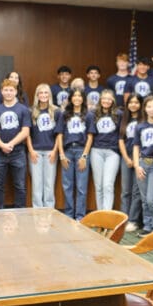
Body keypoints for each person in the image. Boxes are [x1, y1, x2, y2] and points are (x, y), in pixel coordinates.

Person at [0, 79, 32, 209]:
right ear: (1, 92)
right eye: (6, 90)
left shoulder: (23, 109)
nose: (8, 93)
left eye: (11, 90)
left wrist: (11, 144)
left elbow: (25, 131)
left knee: (19, 185)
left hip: (18, 152)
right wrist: (2, 145)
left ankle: (20, 213)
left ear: (16, 92)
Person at [57, 88, 91, 220]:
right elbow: (59, 135)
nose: (77, 98)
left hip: (81, 151)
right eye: (74, 96)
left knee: (81, 186)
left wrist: (84, 156)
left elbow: (90, 137)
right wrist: (61, 155)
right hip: (67, 151)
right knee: (67, 186)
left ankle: (80, 216)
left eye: (79, 96)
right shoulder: (64, 114)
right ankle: (69, 215)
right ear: (71, 98)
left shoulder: (88, 115)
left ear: (83, 98)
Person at [27, 84, 61, 208]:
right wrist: (30, 150)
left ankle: (49, 211)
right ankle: (37, 211)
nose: (43, 95)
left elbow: (59, 134)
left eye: (46, 93)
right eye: (40, 93)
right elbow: (27, 134)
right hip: (35, 151)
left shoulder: (57, 112)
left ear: (50, 95)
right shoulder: (31, 111)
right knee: (36, 184)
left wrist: (54, 151)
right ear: (37, 95)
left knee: (49, 183)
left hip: (50, 152)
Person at [88, 89, 122, 211]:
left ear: (113, 100)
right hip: (96, 151)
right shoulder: (93, 114)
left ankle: (107, 214)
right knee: (99, 186)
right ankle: (100, 215)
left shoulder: (119, 114)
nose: (106, 101)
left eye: (109, 99)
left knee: (108, 185)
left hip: (112, 152)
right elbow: (91, 135)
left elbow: (121, 134)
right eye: (104, 98)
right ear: (100, 100)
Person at [134, 96, 153, 234]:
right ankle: (147, 226)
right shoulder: (140, 126)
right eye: (149, 106)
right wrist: (137, 166)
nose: (151, 109)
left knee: (152, 198)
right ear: (145, 108)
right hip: (143, 163)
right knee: (144, 199)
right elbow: (136, 147)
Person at [119, 93, 144, 232]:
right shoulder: (124, 119)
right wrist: (127, 158)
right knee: (125, 191)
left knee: (137, 191)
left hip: (140, 158)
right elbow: (120, 139)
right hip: (126, 157)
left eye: (136, 102)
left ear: (140, 104)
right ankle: (124, 218)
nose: (133, 105)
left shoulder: (143, 120)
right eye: (131, 102)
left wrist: (135, 159)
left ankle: (133, 220)